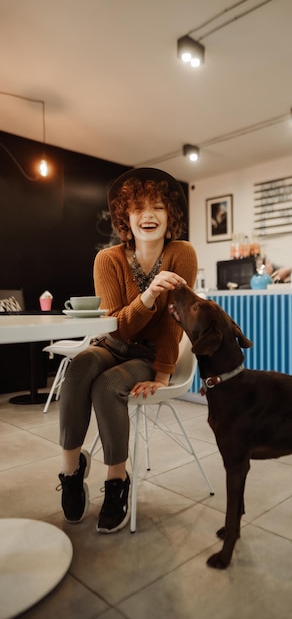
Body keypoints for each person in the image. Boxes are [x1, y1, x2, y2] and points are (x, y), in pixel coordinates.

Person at [57, 167, 198, 534]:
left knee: (107, 387)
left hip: (148, 355)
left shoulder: (181, 254)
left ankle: (116, 481)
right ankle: (71, 472)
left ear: (171, 217)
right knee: (79, 367)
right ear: (126, 217)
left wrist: (163, 373)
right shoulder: (108, 259)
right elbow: (116, 325)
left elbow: (174, 321)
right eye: (138, 208)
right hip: (112, 343)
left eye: (157, 207)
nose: (147, 215)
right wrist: (150, 294)